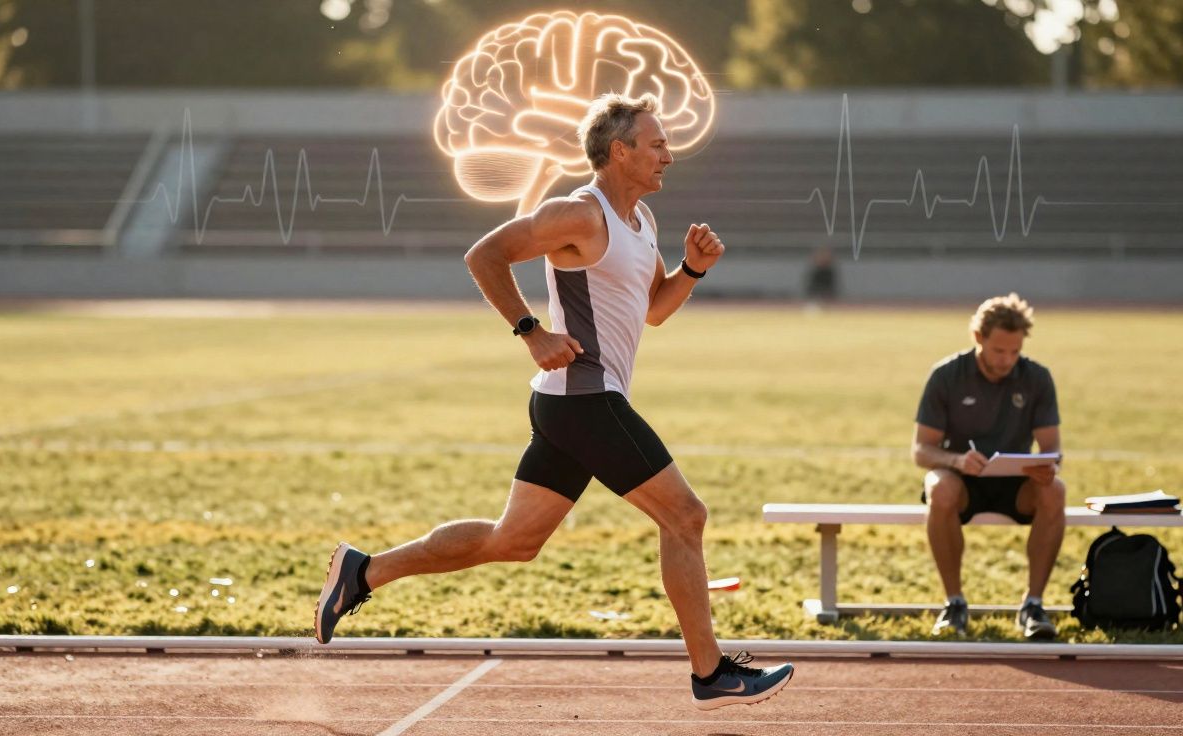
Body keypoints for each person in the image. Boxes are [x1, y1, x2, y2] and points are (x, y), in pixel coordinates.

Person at [314, 93, 794, 710]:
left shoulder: (641, 223)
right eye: (656, 145)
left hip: (578, 402)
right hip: (583, 398)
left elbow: (653, 311)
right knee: (686, 517)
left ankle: (364, 571)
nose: (668, 156)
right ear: (619, 152)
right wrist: (530, 331)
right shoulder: (579, 214)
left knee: (513, 541)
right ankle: (710, 673)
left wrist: (691, 271)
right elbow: (483, 255)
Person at [911, 292, 1065, 640]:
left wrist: (1048, 465)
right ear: (978, 337)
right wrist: (956, 460)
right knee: (939, 486)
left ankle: (1033, 605)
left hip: (1017, 483)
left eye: (1015, 350)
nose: (1008, 359)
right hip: (962, 481)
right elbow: (922, 450)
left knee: (1055, 490)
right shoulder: (947, 375)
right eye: (999, 350)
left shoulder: (1037, 377)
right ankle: (954, 604)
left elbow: (1052, 447)